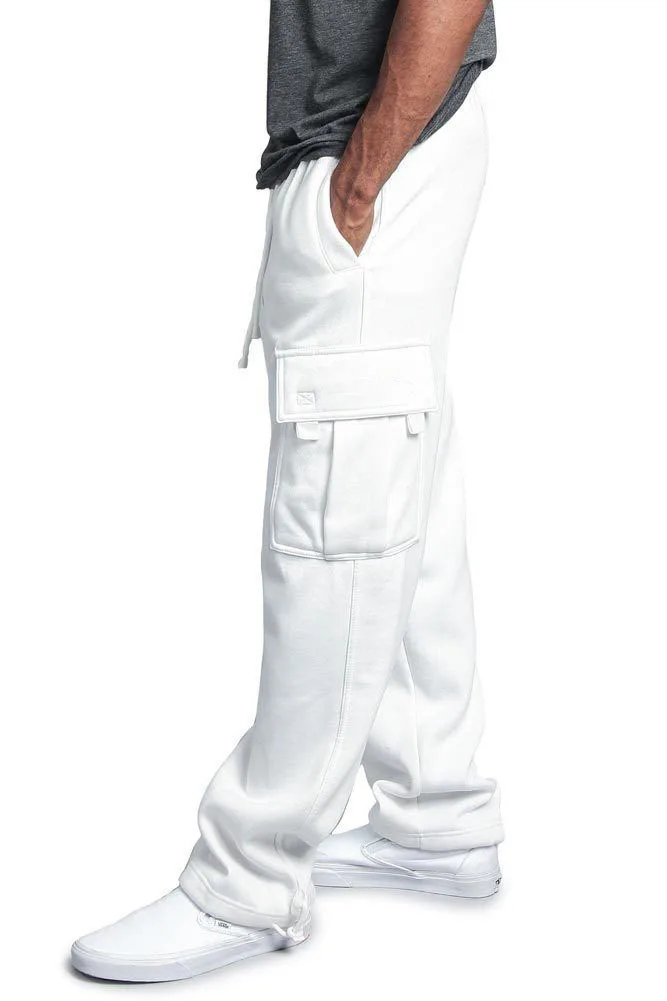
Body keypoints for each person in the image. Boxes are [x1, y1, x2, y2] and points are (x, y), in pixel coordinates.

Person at [71, 0, 504, 982]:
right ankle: (436, 810)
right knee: (396, 483)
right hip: (385, 142)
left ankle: (247, 880)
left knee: (337, 517)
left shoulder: (369, 164)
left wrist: (360, 177)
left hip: (377, 149)